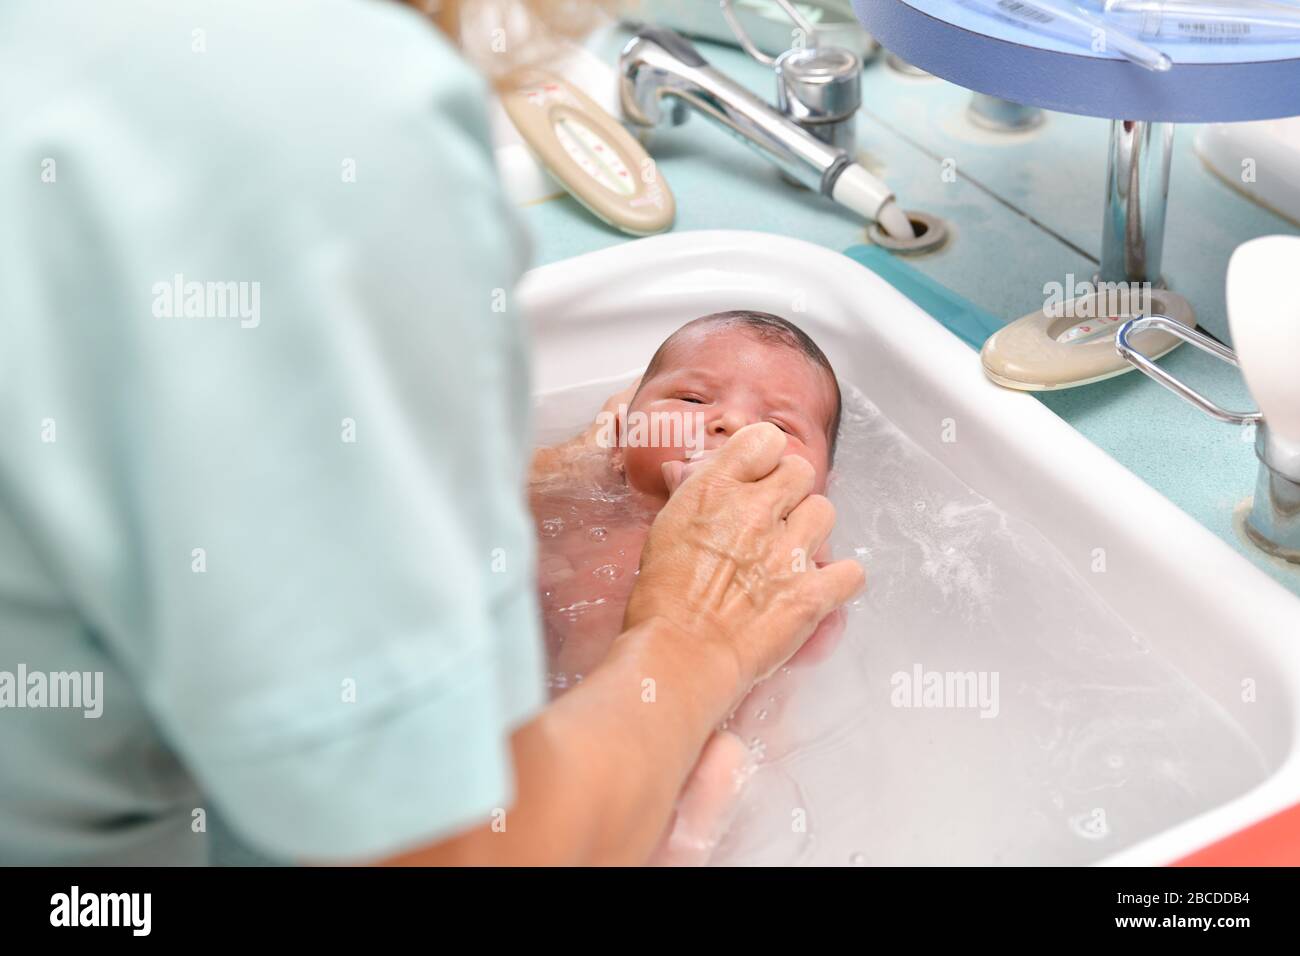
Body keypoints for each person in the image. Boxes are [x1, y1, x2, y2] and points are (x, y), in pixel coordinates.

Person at [0, 0, 864, 865]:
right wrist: (694, 638)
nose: (727, 425)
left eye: (781, 426)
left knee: (721, 773)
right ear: (626, 414)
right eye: (690, 397)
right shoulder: (333, 125)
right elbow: (456, 852)